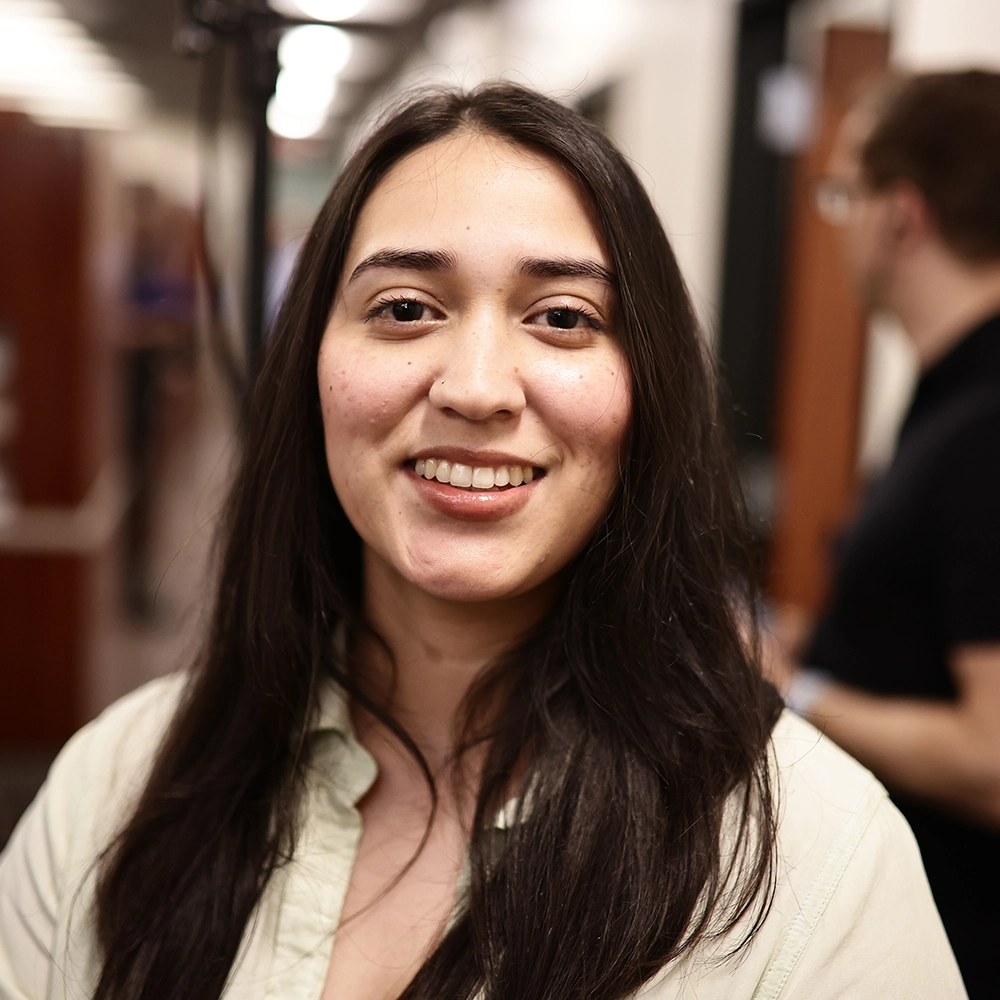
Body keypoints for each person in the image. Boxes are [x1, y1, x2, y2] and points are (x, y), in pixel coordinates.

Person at [0, 83, 964, 1000]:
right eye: (405, 308)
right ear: (311, 367)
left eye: (561, 319)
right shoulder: (116, 787)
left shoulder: (819, 856)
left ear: (648, 393)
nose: (475, 387)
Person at [779, 70, 1000, 998]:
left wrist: (796, 687)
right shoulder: (950, 400)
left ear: (901, 217)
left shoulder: (987, 426)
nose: (838, 224)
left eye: (843, 194)